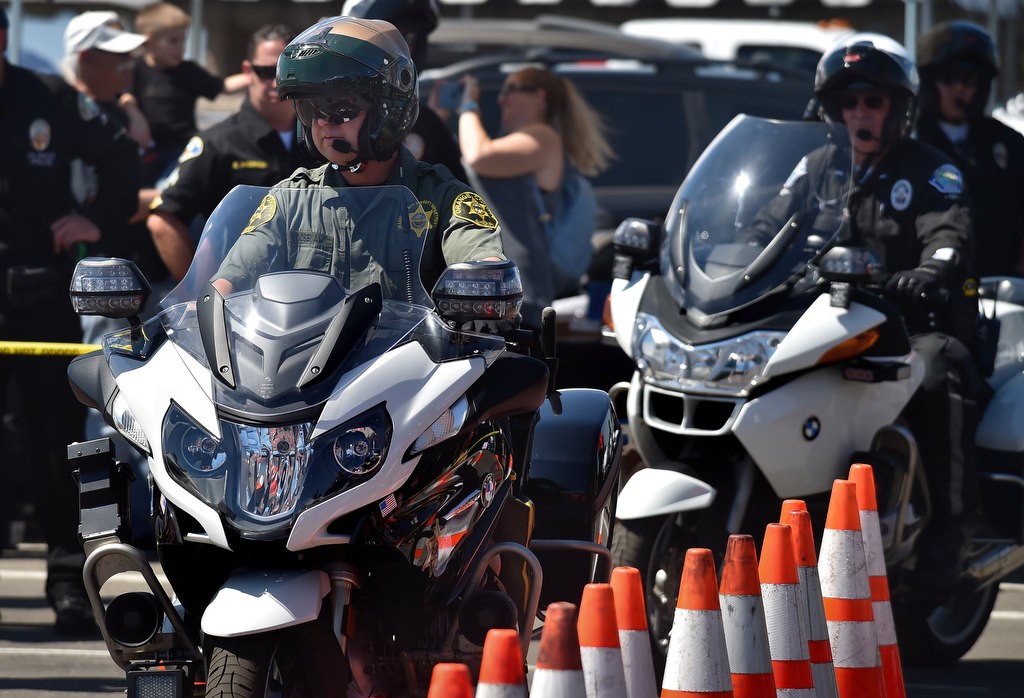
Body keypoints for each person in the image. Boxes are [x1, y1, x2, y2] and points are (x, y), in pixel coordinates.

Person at [767, 33, 980, 592]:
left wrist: (932, 270)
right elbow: (764, 228)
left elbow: (949, 234)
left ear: (899, 107)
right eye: (848, 103)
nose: (858, 113)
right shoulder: (816, 167)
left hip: (912, 326)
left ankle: (951, 530)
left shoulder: (934, 171)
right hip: (824, 323)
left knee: (937, 374)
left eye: (872, 101)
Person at [0, 4, 141, 634]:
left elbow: (121, 157)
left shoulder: (48, 97)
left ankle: (66, 580)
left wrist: (98, 222)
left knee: (57, 446)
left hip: (37, 298)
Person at [209, 16, 504, 299]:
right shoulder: (291, 200)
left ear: (388, 111)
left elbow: (482, 261)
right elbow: (231, 277)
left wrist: (486, 277)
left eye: (338, 107)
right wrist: (207, 306)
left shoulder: (443, 200)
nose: (322, 122)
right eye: (309, 109)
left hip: (409, 351)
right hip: (308, 352)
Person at [147, 23, 319, 281]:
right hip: (238, 302)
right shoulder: (218, 142)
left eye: (285, 71)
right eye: (265, 71)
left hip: (315, 293)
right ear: (248, 71)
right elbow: (163, 220)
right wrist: (197, 296)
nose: (275, 81)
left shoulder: (324, 137)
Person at [456, 67, 613, 326]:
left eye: (511, 90)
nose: (501, 99)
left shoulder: (542, 137)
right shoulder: (516, 143)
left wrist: (468, 104)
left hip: (521, 290)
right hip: (498, 285)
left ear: (539, 97)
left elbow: (479, 156)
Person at [916, 20, 1024, 278]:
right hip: (931, 287)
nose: (960, 88)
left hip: (1002, 289)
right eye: (949, 77)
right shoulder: (912, 139)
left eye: (970, 79)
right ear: (928, 81)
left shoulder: (1007, 142)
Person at [341, 0, 468, 183]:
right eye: (386, 38)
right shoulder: (326, 116)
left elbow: (459, 198)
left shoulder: (429, 124)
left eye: (407, 38)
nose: (398, 48)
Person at [124, 2, 249, 186]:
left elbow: (224, 86)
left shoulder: (188, 71)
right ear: (149, 41)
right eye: (173, 41)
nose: (181, 48)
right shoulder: (135, 69)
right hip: (146, 151)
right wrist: (134, 114)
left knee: (167, 189)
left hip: (181, 149)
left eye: (184, 41)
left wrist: (255, 74)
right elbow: (125, 96)